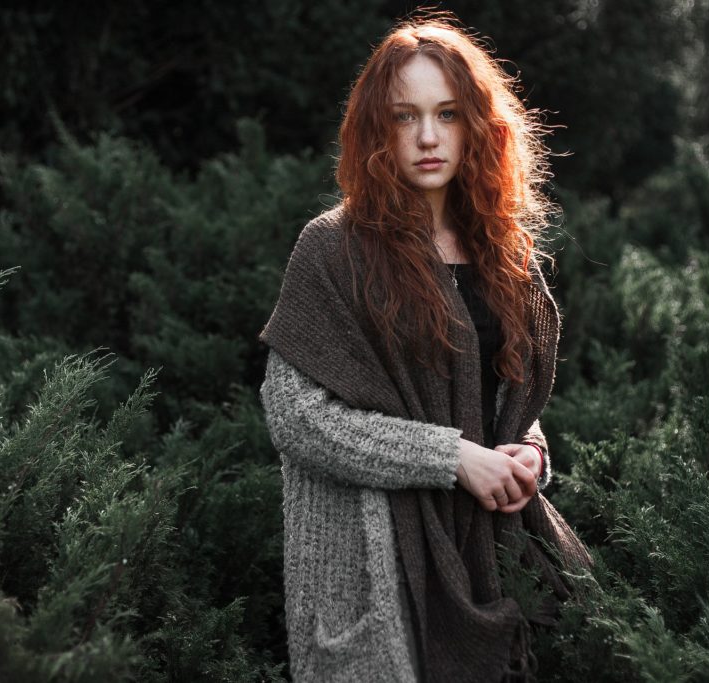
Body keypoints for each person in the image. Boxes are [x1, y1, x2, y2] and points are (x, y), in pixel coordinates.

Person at [259, 14, 591, 683]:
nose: (430, 137)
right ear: (377, 130)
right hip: (384, 567)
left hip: (497, 556)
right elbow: (296, 418)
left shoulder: (503, 254)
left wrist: (530, 451)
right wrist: (448, 457)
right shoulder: (332, 250)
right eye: (406, 117)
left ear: (478, 124)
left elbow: (506, 398)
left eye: (447, 113)